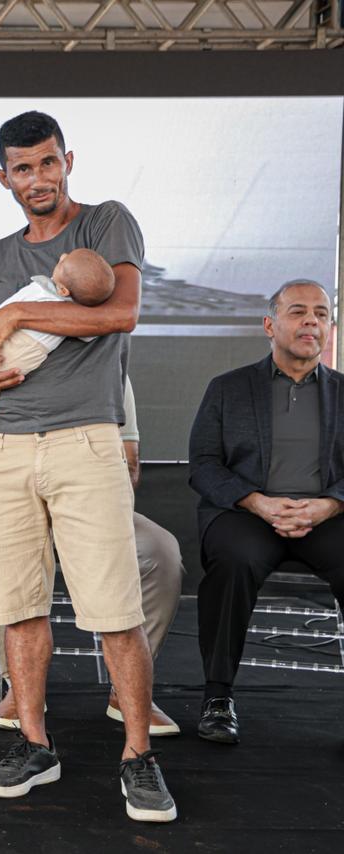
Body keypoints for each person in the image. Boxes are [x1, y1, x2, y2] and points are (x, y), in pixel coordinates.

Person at [0, 110, 176, 822]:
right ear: (4, 178)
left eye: (48, 162)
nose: (38, 178)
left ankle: (138, 755)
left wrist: (15, 318)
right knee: (18, 606)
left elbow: (120, 314)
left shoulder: (106, 222)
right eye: (23, 168)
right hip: (2, 448)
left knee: (116, 609)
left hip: (85, 440)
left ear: (67, 161)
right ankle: (33, 744)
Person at [0, 377, 183, 735]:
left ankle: (126, 690)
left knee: (162, 552)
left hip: (92, 505)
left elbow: (129, 462)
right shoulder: (2, 364)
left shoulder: (108, 370)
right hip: (19, 503)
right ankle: (19, 686)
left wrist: (84, 510)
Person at [188, 279, 344, 745]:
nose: (311, 321)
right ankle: (218, 697)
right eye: (298, 312)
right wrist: (258, 502)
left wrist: (328, 505)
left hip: (327, 514)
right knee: (233, 562)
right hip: (248, 513)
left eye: (321, 314)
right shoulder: (228, 388)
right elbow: (204, 465)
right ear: (269, 325)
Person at [0, 249, 114, 440]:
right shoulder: (75, 311)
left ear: (63, 290)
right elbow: (88, 335)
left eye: (63, 262)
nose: (62, 255)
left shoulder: (40, 290)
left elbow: (7, 309)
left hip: (18, 342)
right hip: (37, 353)